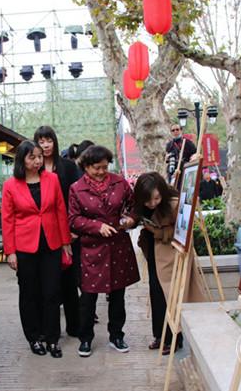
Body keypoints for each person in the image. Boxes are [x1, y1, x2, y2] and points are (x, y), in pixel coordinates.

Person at [1, 140, 71, 358]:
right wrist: (10, 252)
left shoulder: (52, 179)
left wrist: (66, 242)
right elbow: (7, 219)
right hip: (24, 246)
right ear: (22, 160)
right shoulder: (11, 185)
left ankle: (52, 338)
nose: (37, 160)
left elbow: (60, 210)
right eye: (32, 157)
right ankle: (34, 337)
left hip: (51, 243)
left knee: (52, 292)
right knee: (29, 294)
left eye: (40, 156)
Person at [68, 145, 139, 357]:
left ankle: (116, 335)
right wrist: (96, 226)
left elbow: (134, 206)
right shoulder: (76, 189)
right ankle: (85, 338)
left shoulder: (119, 182)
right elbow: (73, 219)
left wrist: (130, 219)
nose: (101, 172)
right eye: (96, 168)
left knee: (118, 295)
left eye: (104, 167)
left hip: (118, 246)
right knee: (88, 296)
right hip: (91, 248)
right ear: (86, 167)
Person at [133, 172, 207, 355]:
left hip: (172, 255)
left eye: (156, 198)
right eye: (148, 201)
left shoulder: (175, 203)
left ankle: (173, 338)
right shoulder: (142, 205)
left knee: (170, 295)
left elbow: (183, 232)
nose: (152, 203)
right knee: (156, 292)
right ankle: (160, 336)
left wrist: (158, 232)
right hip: (154, 252)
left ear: (162, 193)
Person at [34, 126, 82, 338]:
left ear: (55, 142)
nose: (45, 145)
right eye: (41, 141)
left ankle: (74, 325)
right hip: (43, 232)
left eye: (49, 141)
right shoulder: (33, 169)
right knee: (46, 283)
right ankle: (47, 328)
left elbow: (76, 199)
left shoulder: (68, 167)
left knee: (70, 280)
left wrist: (73, 229)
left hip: (68, 231)